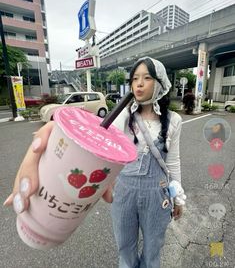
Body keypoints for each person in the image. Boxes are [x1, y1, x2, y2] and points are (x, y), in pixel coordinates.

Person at [4, 56, 185, 268]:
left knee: (153, 249)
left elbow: (173, 162)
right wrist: (60, 131)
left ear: (160, 83)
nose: (139, 83)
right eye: (135, 78)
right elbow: (96, 136)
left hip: (158, 194)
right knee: (125, 248)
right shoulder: (123, 116)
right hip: (124, 191)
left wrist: (179, 198)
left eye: (147, 78)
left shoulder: (174, 120)